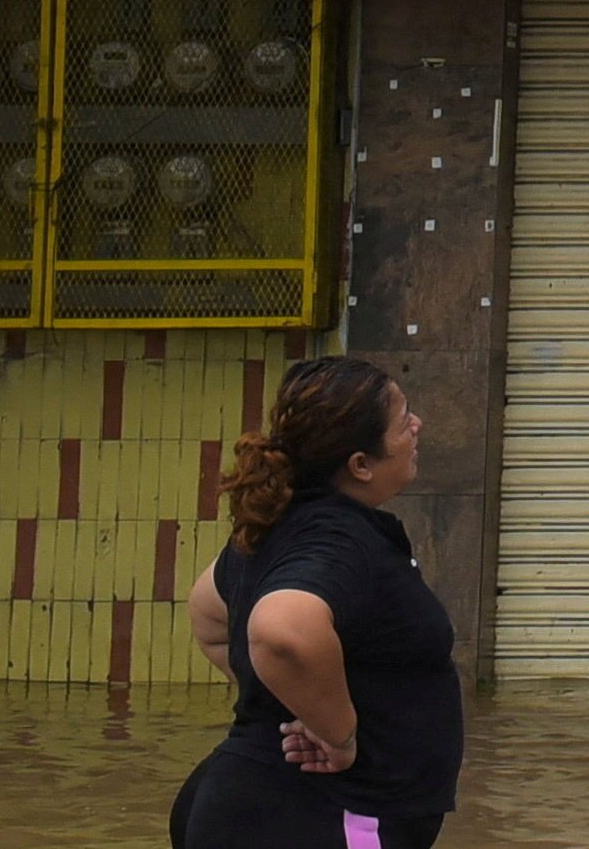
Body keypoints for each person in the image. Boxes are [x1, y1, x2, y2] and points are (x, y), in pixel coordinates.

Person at [175, 357, 464, 849]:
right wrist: (339, 735)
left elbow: (211, 615)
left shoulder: (288, 524)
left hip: (258, 805)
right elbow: (280, 631)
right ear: (360, 465)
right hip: (321, 815)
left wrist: (291, 700)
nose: (417, 426)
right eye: (402, 422)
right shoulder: (337, 540)